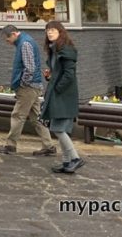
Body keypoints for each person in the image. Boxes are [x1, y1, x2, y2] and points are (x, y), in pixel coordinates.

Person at [0, 23, 56, 156]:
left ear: (14, 34)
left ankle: (10, 145)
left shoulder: (25, 44)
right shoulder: (26, 41)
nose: (8, 42)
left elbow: (30, 68)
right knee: (37, 118)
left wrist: (23, 83)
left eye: (8, 39)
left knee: (18, 115)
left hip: (28, 87)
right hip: (34, 86)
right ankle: (49, 146)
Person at [40, 21, 85, 174]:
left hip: (64, 95)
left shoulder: (66, 50)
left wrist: (58, 88)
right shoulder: (55, 49)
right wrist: (50, 76)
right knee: (60, 128)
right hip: (58, 93)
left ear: (61, 32)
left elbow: (69, 74)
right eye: (47, 30)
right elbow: (59, 72)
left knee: (58, 128)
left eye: (53, 30)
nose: (49, 33)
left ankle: (75, 158)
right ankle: (66, 162)